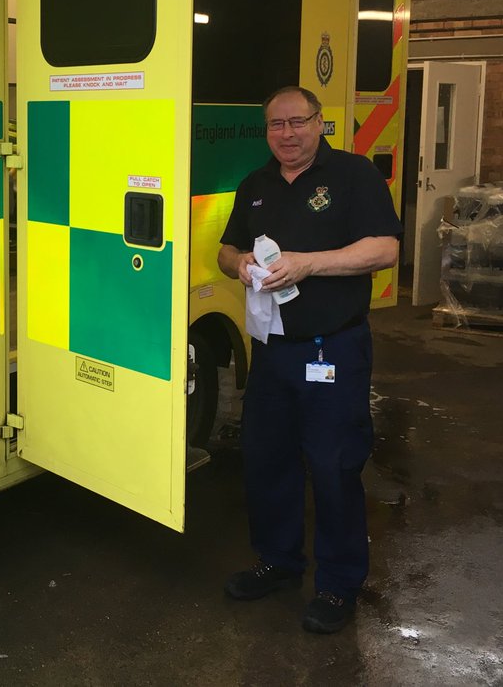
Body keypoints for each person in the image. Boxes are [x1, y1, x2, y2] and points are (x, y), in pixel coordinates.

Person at [217, 86, 401, 634]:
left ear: (320, 123)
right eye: (276, 124)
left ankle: (339, 585)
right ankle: (278, 562)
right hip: (272, 348)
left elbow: (386, 249)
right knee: (267, 459)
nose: (287, 133)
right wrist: (241, 261)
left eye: (298, 121)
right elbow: (225, 252)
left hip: (334, 349)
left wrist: (307, 265)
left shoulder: (353, 175)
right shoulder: (256, 185)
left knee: (334, 464)